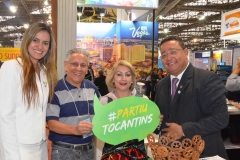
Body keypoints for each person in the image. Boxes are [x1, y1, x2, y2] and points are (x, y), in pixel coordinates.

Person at [155, 36, 229, 159]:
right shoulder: (161, 85)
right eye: (164, 55)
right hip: (171, 154)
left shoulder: (206, 79)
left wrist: (183, 130)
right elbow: (161, 119)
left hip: (203, 153)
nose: (168, 58)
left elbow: (220, 119)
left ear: (185, 52)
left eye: (173, 52)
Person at [0, 22, 58, 160]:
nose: (40, 46)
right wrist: (12, 156)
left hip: (40, 147)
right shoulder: (11, 68)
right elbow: (5, 117)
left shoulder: (44, 71)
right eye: (35, 40)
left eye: (45, 43)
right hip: (19, 148)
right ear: (27, 40)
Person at [46, 48, 101, 160]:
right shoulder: (55, 89)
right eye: (74, 64)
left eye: (83, 65)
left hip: (88, 150)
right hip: (64, 151)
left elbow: (102, 114)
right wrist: (75, 130)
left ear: (87, 69)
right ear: (66, 65)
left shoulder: (92, 87)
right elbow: (52, 123)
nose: (78, 69)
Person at [99, 60, 148, 155]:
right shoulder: (105, 102)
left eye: (128, 75)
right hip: (111, 154)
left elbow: (149, 128)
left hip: (137, 154)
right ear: (113, 78)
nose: (123, 78)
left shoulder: (143, 100)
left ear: (133, 79)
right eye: (119, 74)